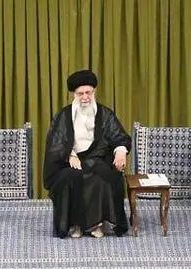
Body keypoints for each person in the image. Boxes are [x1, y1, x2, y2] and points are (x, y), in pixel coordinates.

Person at [44, 69, 131, 238]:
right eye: (80, 93)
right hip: (70, 161)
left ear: (94, 92)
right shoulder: (63, 116)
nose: (85, 97)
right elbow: (55, 143)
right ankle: (75, 224)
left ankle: (95, 224)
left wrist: (121, 152)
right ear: (73, 94)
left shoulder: (105, 114)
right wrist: (70, 155)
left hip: (99, 159)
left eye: (88, 93)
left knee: (102, 175)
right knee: (71, 177)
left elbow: (119, 136)